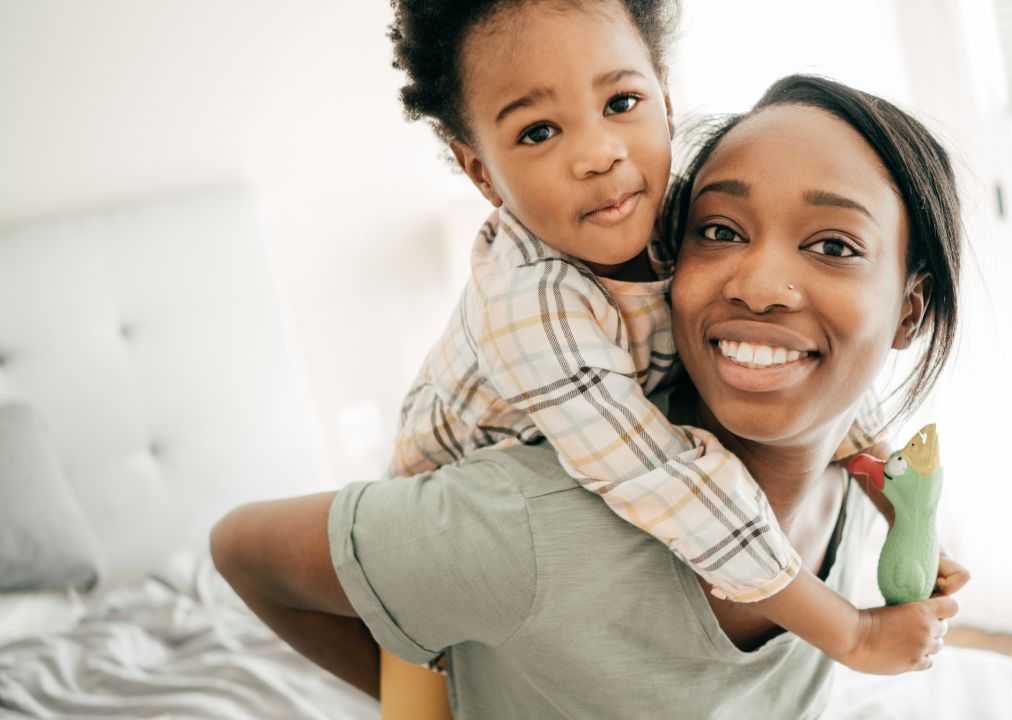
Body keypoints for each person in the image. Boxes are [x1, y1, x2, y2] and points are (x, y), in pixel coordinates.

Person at [210, 73, 969, 719]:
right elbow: (241, 550)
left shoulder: (843, 486)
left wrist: (897, 504)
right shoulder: (525, 523)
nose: (759, 285)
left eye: (832, 245)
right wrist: (453, 698)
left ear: (910, 310)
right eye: (720, 231)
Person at [380, 0, 885, 669]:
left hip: (565, 530)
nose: (597, 154)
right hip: (440, 547)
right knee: (438, 677)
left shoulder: (685, 207)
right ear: (480, 172)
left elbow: (816, 362)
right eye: (538, 132)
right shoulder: (533, 300)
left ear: (666, 102)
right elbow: (658, 474)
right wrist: (847, 631)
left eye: (620, 101)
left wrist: (897, 498)